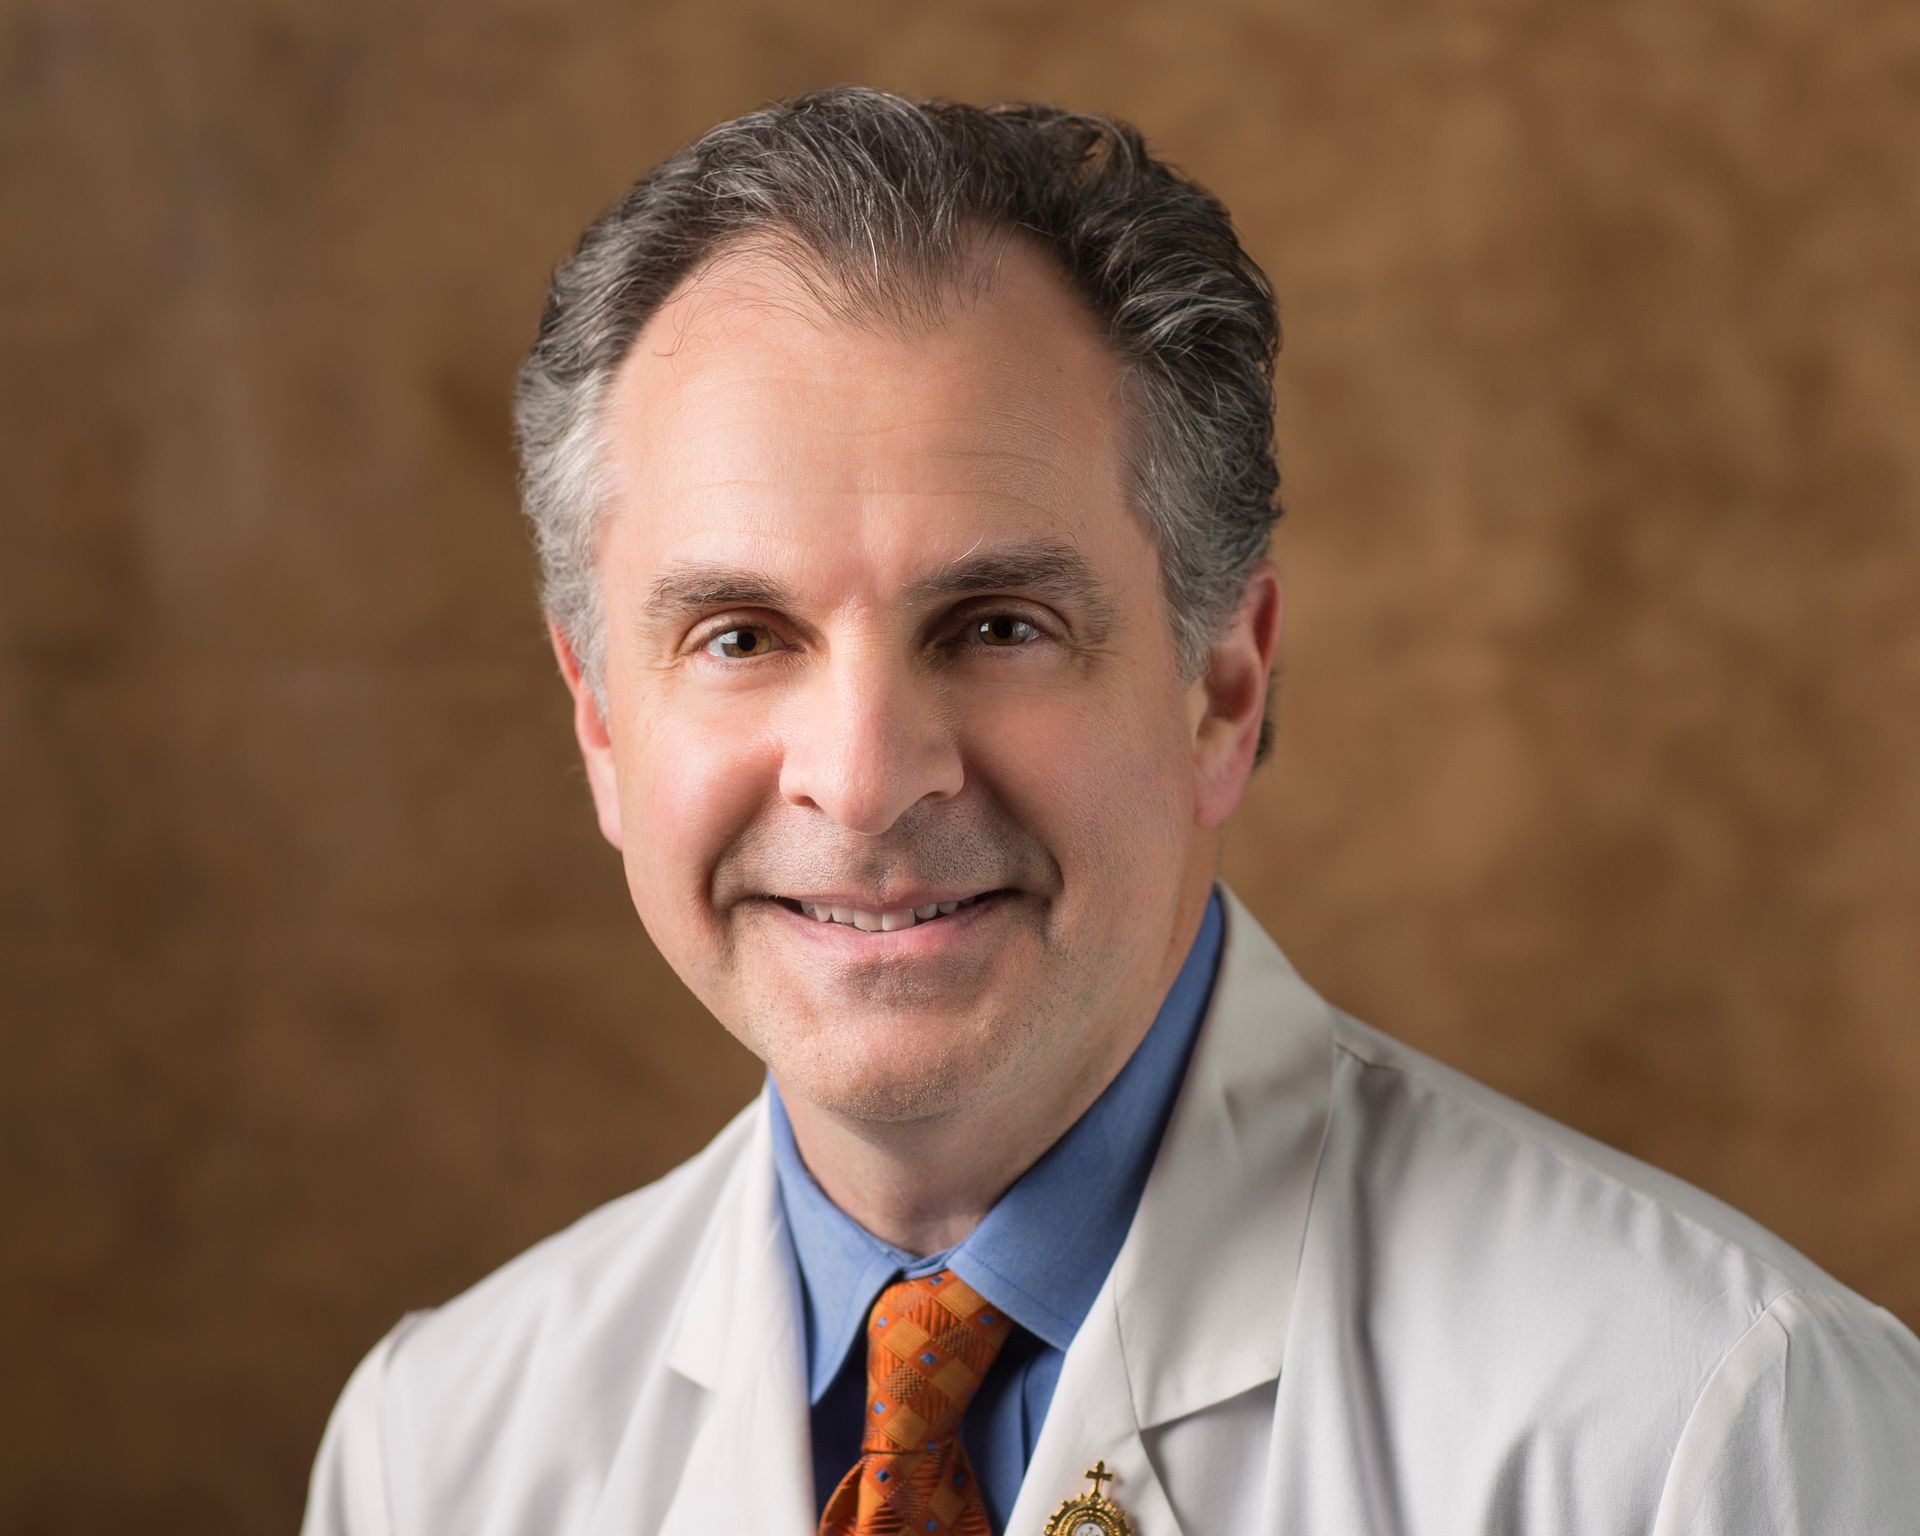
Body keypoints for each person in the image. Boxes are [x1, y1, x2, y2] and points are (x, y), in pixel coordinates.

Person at [301, 86, 1920, 1536]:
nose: (862, 778)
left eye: (997, 625)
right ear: (600, 722)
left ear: (1223, 689)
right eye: (739, 637)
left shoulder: (1702, 1434)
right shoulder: (435, 1452)